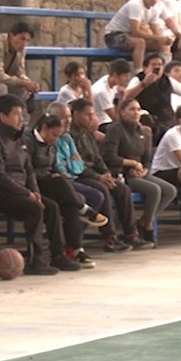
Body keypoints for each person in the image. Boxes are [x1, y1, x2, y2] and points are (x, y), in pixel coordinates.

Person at [0, 95, 81, 275]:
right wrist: (26, 193)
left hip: (18, 189)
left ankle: (58, 254)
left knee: (52, 207)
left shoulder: (17, 137)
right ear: (2, 116)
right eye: (16, 114)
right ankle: (35, 259)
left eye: (22, 114)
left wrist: (34, 191)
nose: (21, 118)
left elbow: (28, 168)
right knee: (34, 208)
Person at [24, 114, 108, 269]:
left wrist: (56, 172)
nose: (55, 139)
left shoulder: (50, 143)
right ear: (44, 128)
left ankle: (75, 250)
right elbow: (27, 171)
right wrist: (50, 175)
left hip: (50, 182)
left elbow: (53, 165)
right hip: (33, 184)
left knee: (70, 206)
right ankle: (83, 208)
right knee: (61, 192)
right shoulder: (28, 142)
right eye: (54, 135)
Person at [67, 98, 139, 253]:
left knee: (122, 189)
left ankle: (131, 233)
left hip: (96, 173)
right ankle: (109, 237)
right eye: (88, 115)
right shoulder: (69, 135)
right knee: (102, 189)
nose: (91, 118)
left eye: (93, 114)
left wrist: (106, 173)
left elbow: (97, 158)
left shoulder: (88, 133)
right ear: (76, 114)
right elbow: (77, 164)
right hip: (80, 175)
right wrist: (99, 177)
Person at [101, 98, 176, 244]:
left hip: (139, 172)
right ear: (122, 112)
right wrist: (132, 164)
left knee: (170, 191)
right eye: (132, 109)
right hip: (122, 173)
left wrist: (144, 170)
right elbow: (109, 157)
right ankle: (147, 226)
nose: (136, 113)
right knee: (154, 190)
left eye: (138, 109)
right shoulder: (115, 129)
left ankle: (143, 221)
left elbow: (146, 159)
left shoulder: (142, 131)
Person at [103, 0, 175, 71]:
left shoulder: (156, 7)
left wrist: (163, 39)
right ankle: (138, 72)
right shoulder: (135, 5)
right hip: (114, 35)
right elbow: (135, 31)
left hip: (130, 36)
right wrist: (157, 38)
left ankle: (165, 72)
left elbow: (154, 29)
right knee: (139, 42)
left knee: (163, 45)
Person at [124, 55, 181, 131]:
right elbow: (127, 96)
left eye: (160, 65)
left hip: (167, 118)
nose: (157, 67)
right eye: (154, 65)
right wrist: (144, 83)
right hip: (148, 117)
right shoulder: (138, 79)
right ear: (145, 68)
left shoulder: (167, 79)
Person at [91, 58, 133, 132]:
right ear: (115, 75)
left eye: (128, 76)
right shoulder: (102, 91)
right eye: (125, 76)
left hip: (108, 120)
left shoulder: (109, 80)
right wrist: (122, 96)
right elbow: (116, 119)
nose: (128, 79)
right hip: (101, 123)